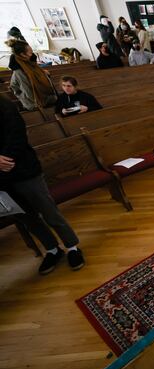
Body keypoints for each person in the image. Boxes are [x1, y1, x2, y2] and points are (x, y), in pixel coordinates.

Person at [0, 94, 84, 275]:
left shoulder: (4, 105)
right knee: (27, 218)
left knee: (48, 210)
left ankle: (72, 247)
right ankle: (52, 250)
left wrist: (4, 159)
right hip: (3, 180)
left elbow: (17, 135)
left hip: (24, 170)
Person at [6, 39, 57, 111]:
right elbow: (27, 91)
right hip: (35, 104)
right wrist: (37, 104)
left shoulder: (29, 62)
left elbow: (36, 74)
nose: (32, 54)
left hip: (46, 98)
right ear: (22, 54)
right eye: (30, 52)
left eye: (31, 50)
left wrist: (43, 73)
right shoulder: (19, 72)